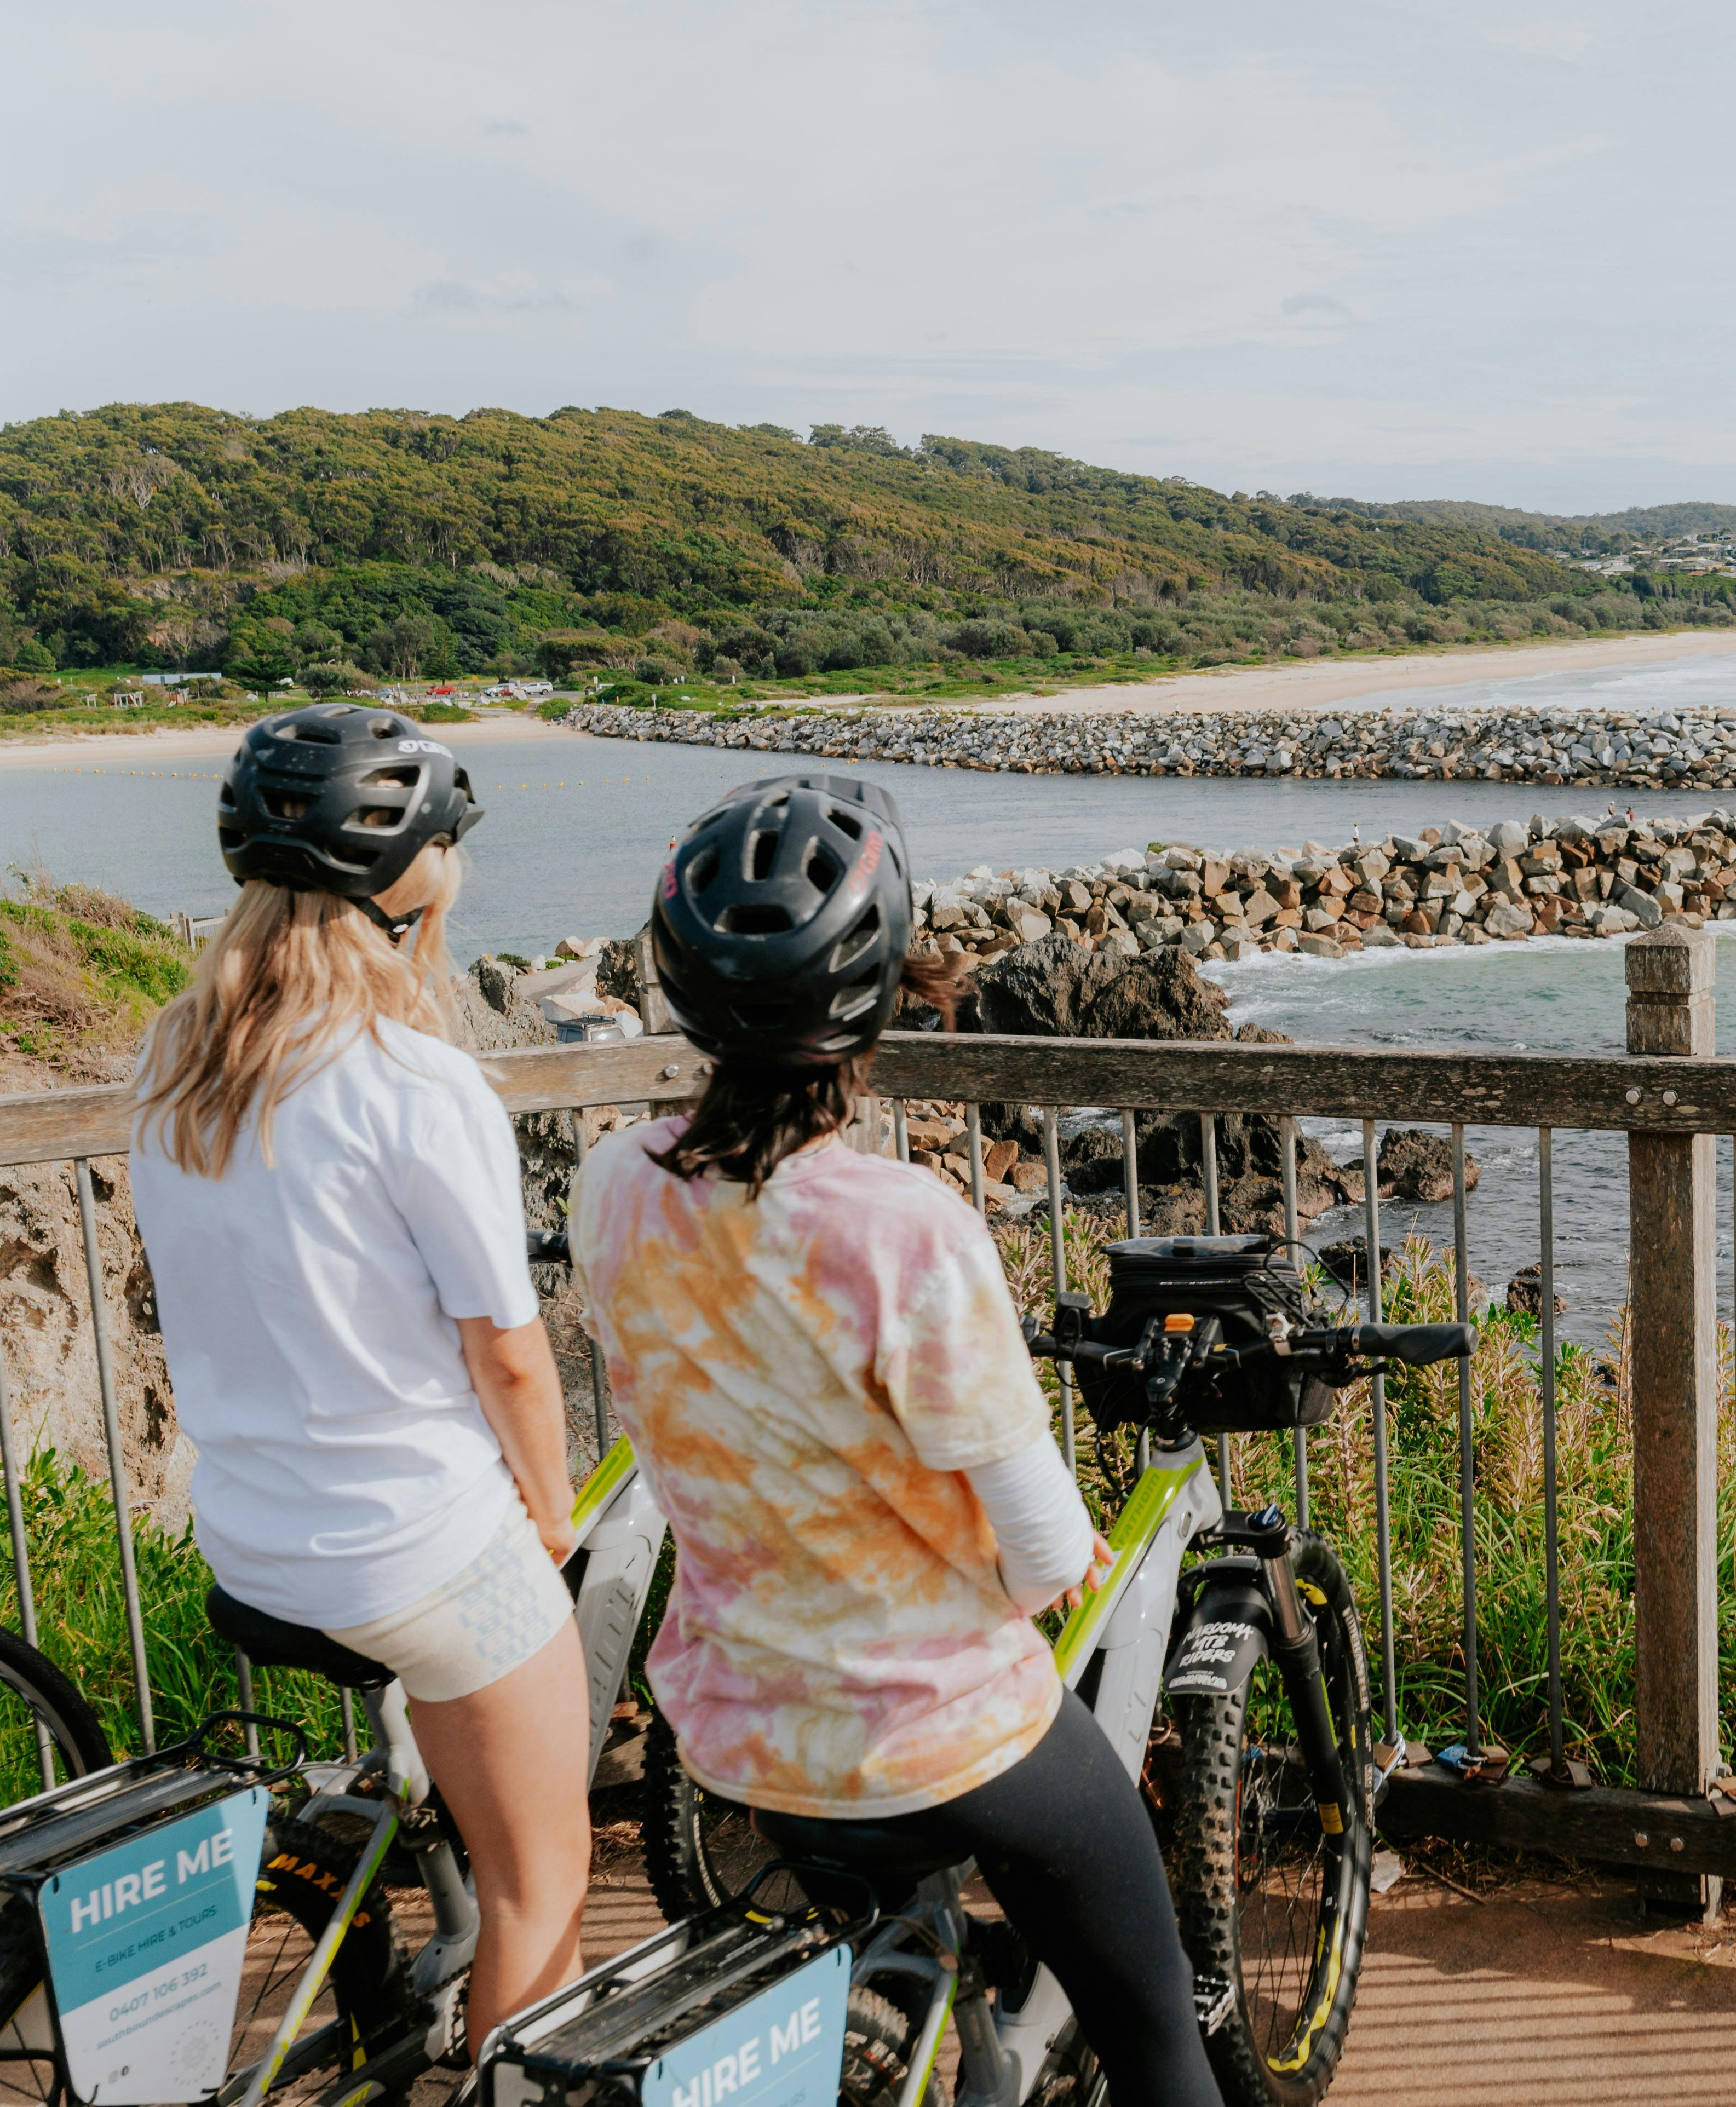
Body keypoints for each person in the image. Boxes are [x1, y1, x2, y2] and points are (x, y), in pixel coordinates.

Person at [570, 774, 1218, 2107]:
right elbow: (1042, 1550)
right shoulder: (901, 1223)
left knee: (920, 1979)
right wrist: (1025, 1570)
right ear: (876, 997)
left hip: (746, 1732)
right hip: (939, 1737)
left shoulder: (613, 1185)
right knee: (1161, 2042)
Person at [128, 704, 588, 2040]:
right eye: (448, 842)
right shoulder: (414, 1081)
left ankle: (372, 1874)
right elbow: (507, 1354)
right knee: (542, 1887)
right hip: (415, 1551)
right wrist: (549, 1523)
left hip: (253, 1539)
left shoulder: (176, 1061)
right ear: (406, 880)